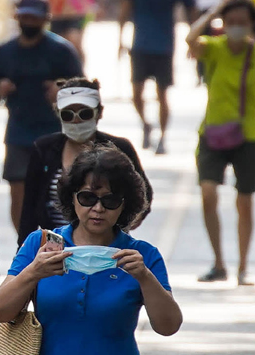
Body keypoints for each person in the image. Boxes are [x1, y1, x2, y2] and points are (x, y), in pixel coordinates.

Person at [0, 146, 183, 355]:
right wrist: (34, 272)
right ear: (72, 198)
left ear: (125, 204)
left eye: (110, 200)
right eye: (88, 197)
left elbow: (168, 326)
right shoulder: (41, 245)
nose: (98, 208)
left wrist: (144, 277)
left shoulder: (142, 255)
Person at [186, 0, 255, 285]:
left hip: (249, 135)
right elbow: (190, 39)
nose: (236, 27)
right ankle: (218, 263)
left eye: (242, 22)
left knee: (245, 202)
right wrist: (213, 13)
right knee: (208, 194)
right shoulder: (214, 48)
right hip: (213, 132)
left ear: (250, 24)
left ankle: (242, 267)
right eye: (231, 22)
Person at [18, 77, 154, 246]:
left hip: (106, 246)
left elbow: (143, 193)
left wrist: (121, 228)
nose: (76, 120)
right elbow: (29, 209)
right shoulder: (43, 148)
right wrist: (23, 255)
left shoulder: (120, 148)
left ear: (99, 112)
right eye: (68, 114)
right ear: (58, 113)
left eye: (84, 113)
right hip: (55, 248)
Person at [0, 0, 83, 234]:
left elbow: (82, 87)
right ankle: (25, 240)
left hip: (55, 131)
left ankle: (61, 237)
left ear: (45, 19)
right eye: (24, 17)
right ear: (17, 17)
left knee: (57, 189)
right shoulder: (4, 52)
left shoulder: (61, 51)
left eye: (34, 18)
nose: (29, 22)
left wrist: (61, 90)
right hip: (19, 131)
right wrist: (0, 87)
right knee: (18, 188)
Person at [118, 0, 196, 155]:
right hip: (140, 45)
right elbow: (125, 11)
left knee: (162, 94)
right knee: (136, 94)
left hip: (164, 47)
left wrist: (192, 41)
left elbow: (190, 11)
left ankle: (162, 137)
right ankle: (146, 124)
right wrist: (120, 40)